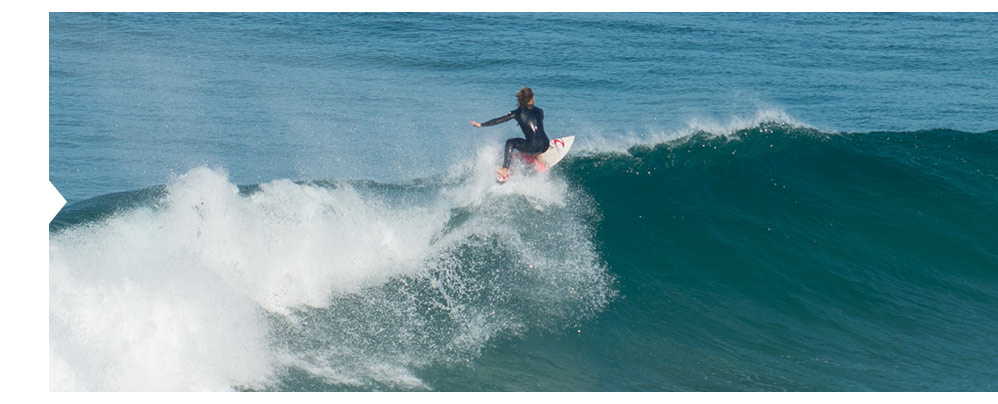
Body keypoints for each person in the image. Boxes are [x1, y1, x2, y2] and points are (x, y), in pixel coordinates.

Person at [470, 87, 550, 181]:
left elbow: (499, 120)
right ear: (532, 98)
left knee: (510, 142)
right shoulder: (540, 111)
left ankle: (505, 169)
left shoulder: (517, 113)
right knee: (535, 137)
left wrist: (481, 124)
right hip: (545, 145)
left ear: (520, 100)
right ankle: (537, 161)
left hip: (533, 146)